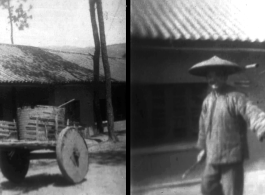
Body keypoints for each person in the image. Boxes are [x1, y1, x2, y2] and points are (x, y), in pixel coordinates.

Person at [189, 56, 265, 195]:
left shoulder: (236, 96)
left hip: (231, 155)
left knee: (232, 192)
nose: (213, 80)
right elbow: (203, 127)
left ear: (225, 77)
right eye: (210, 77)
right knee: (207, 187)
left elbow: (252, 112)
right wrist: (203, 148)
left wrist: (262, 125)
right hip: (212, 155)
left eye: (218, 76)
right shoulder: (207, 100)